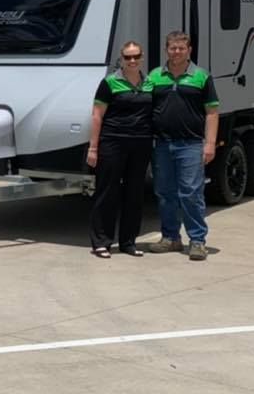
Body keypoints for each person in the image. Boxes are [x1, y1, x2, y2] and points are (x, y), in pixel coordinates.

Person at [145, 30, 220, 261]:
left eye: (181, 48)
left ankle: (197, 241)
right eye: (172, 48)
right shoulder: (155, 76)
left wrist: (210, 144)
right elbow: (144, 106)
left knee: (191, 193)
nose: (176, 52)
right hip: (162, 144)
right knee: (165, 193)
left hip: (191, 145)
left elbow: (212, 112)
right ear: (166, 50)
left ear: (189, 50)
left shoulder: (201, 76)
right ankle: (170, 238)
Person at [86, 41, 154, 258]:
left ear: (142, 57)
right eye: (128, 57)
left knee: (135, 193)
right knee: (108, 191)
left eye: (136, 56)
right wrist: (93, 148)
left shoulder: (150, 83)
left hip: (141, 143)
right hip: (113, 142)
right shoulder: (109, 82)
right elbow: (97, 115)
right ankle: (101, 242)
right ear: (121, 59)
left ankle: (128, 242)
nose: (132, 61)